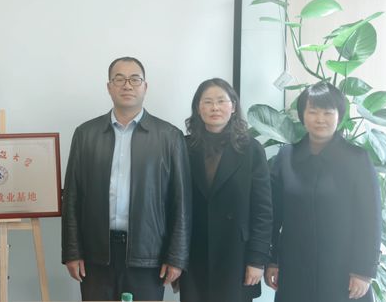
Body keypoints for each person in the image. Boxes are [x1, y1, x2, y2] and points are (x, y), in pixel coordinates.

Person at [61, 56, 192, 301]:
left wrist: (177, 256)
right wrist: (72, 251)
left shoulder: (169, 136)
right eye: (119, 79)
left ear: (145, 86)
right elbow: (72, 197)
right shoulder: (86, 134)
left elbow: (181, 201)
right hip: (96, 253)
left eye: (134, 79)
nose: (127, 85)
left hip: (148, 253)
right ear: (109, 87)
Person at [264, 81, 381, 302]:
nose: (320, 119)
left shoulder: (357, 159)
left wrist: (363, 271)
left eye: (328, 113)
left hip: (343, 272)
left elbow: (370, 219)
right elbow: (273, 214)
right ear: (302, 115)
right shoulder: (286, 157)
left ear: (339, 115)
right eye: (313, 112)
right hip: (294, 268)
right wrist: (272, 260)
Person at [179, 78, 272, 302]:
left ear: (233, 107)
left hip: (237, 255)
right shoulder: (183, 146)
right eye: (208, 101)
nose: (215, 107)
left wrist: (257, 260)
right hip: (194, 253)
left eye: (221, 101)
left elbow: (263, 210)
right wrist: (175, 259)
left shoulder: (251, 149)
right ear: (198, 108)